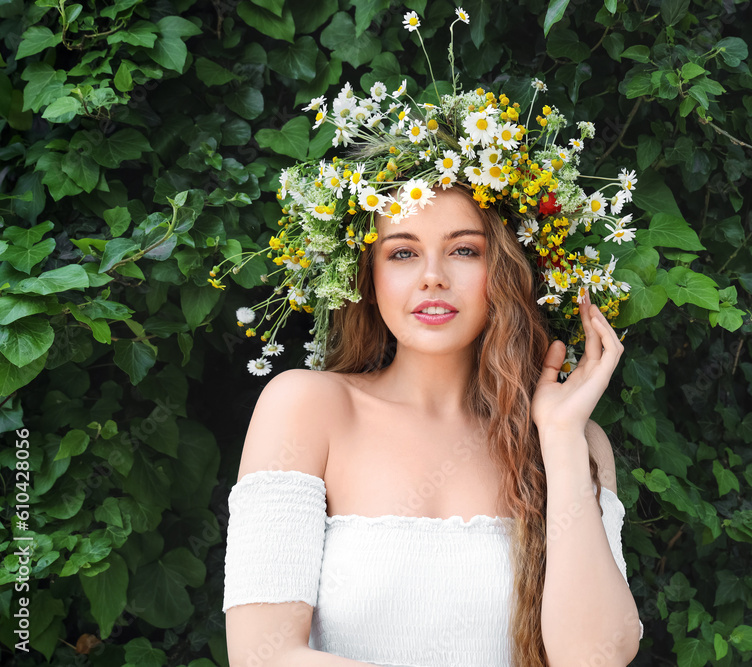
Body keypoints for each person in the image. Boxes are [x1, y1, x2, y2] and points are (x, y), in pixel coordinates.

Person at [217, 11, 643, 665]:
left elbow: (597, 657)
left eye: (464, 250)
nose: (433, 279)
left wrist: (557, 440)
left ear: (507, 268)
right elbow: (262, 655)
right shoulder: (307, 407)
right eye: (403, 253)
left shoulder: (577, 442)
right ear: (368, 273)